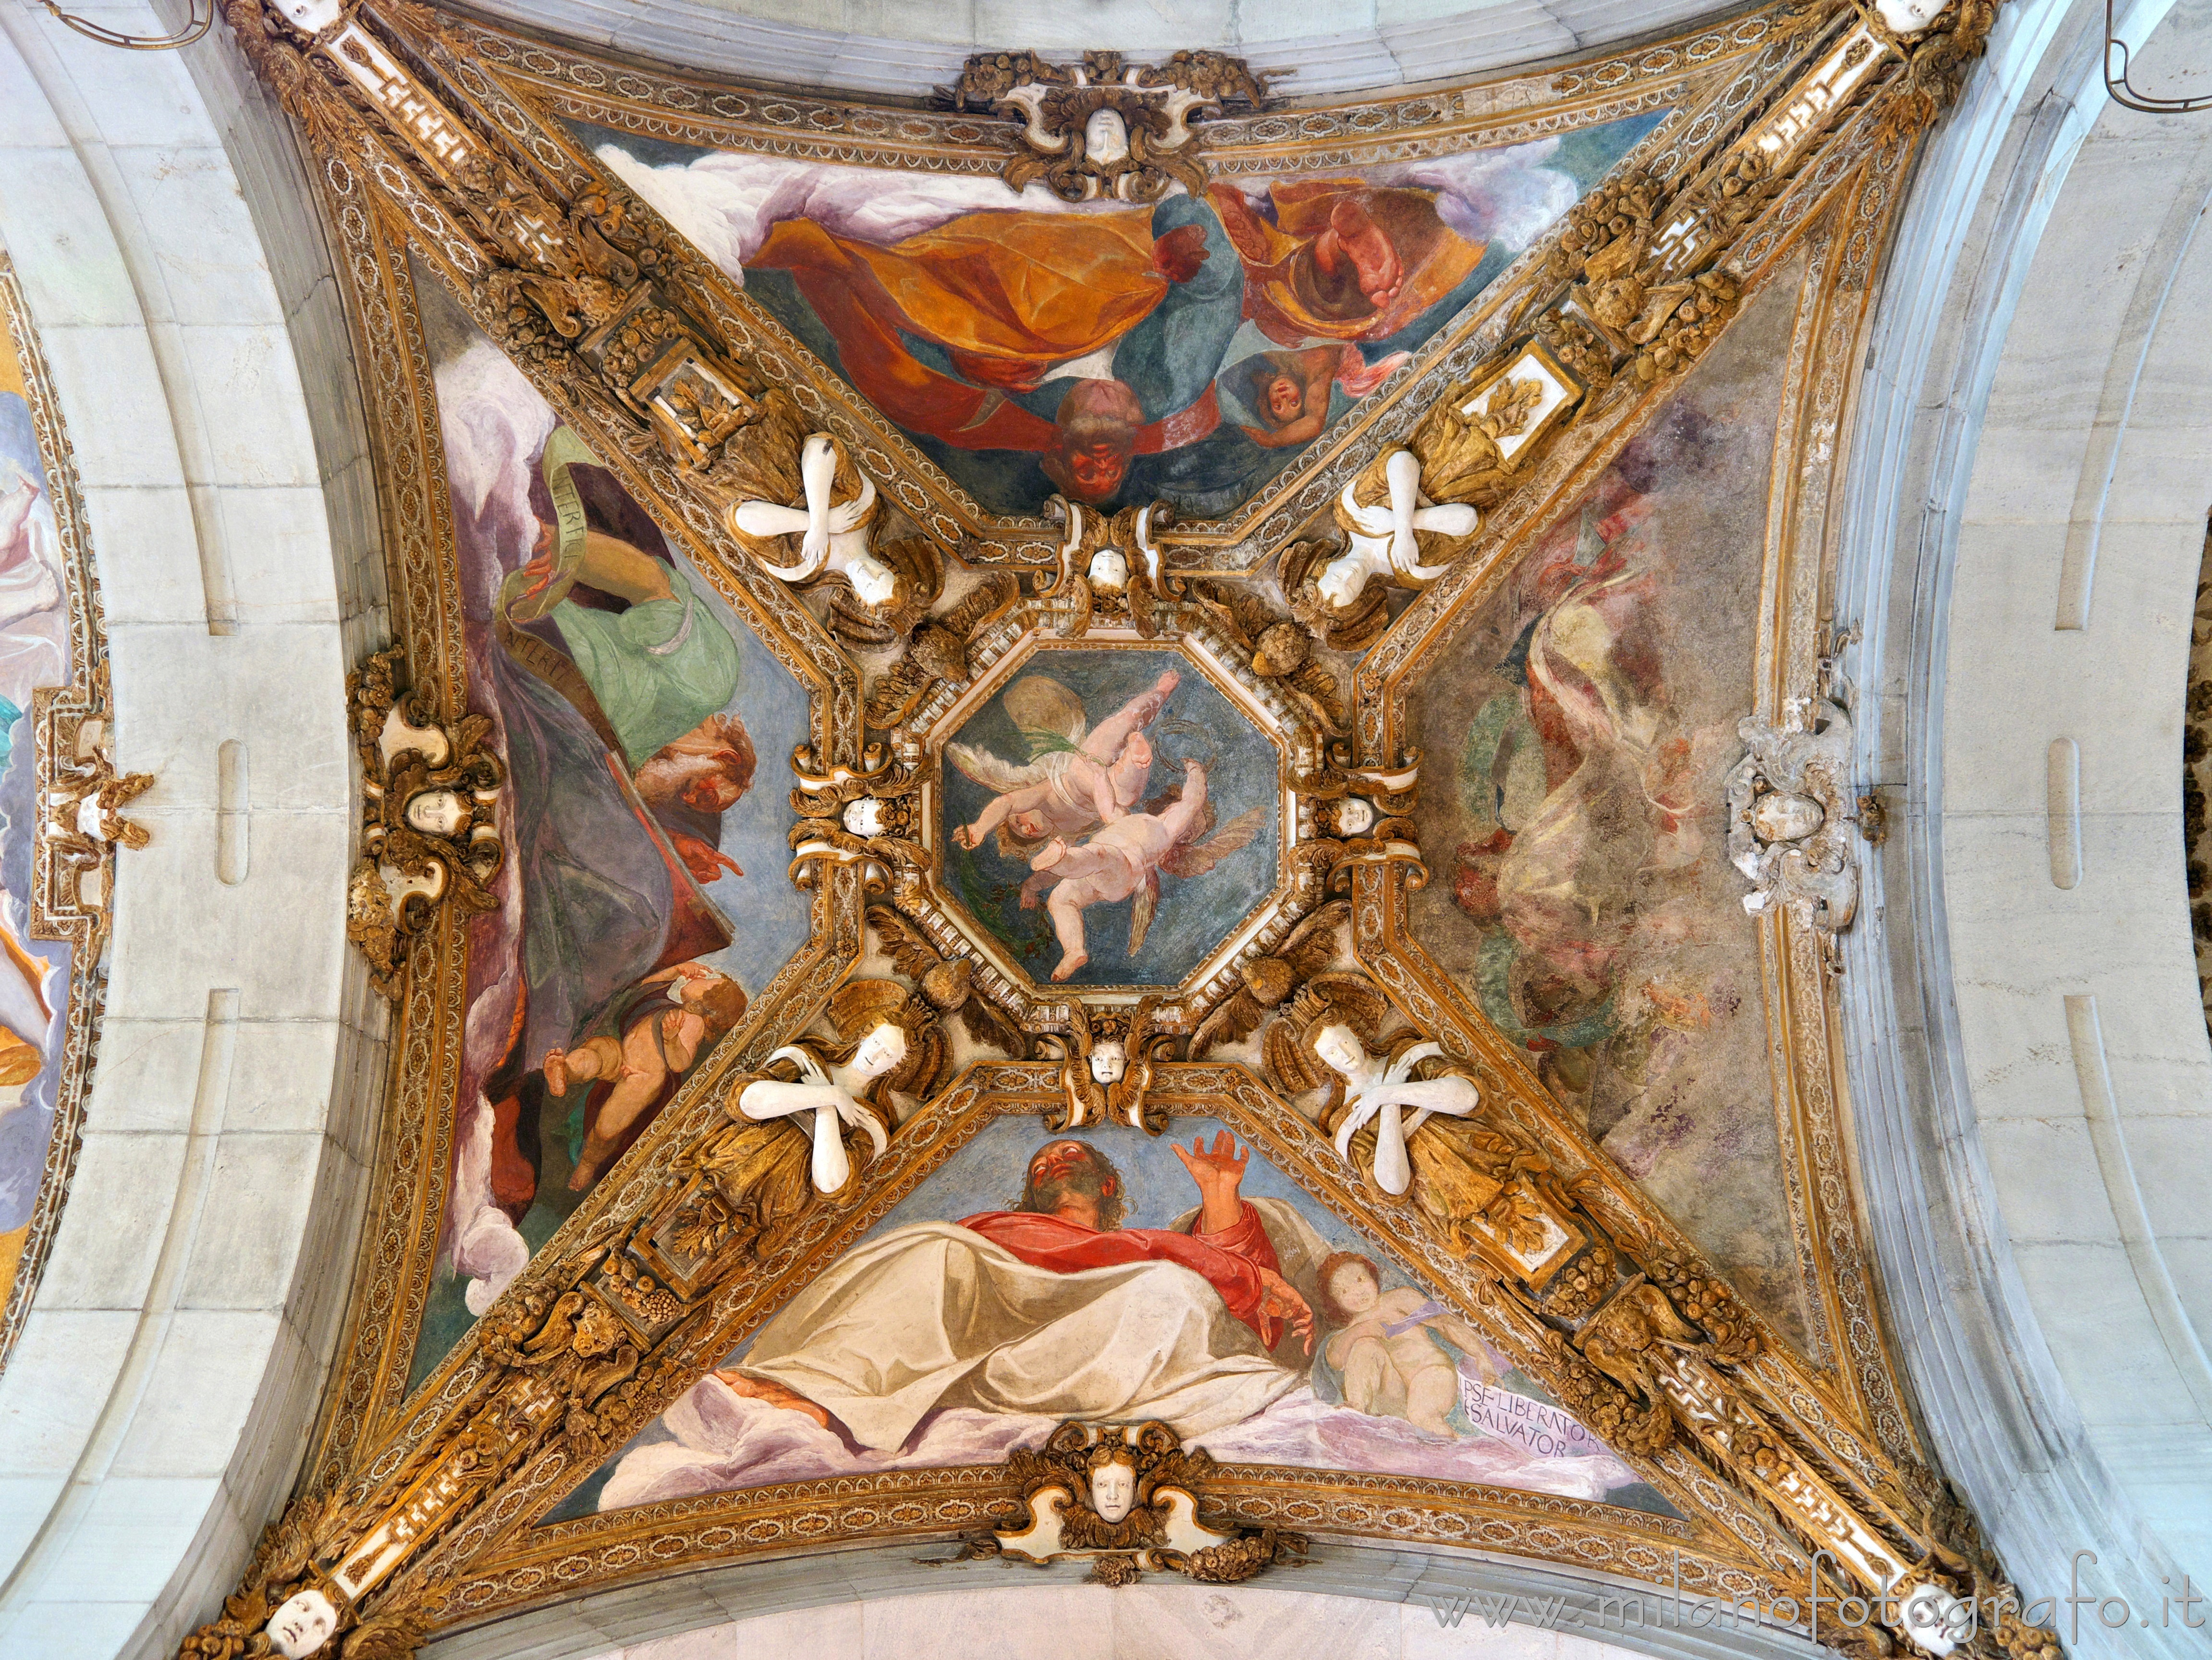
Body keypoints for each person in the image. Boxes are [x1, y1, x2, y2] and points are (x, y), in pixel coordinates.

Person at [714, 1132, 1316, 1448]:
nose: (1053, 1165)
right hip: (996, 1364)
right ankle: (822, 1392)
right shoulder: (1001, 1232)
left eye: (1069, 1157)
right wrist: (1228, 1269)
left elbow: (1249, 1322)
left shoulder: (1150, 1247)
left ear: (1107, 1183)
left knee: (1169, 1289)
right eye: (1040, 1168)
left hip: (1098, 1357)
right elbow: (1096, 1252)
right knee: (935, 1246)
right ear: (1030, 1198)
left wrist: (1220, 1203)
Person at [540, 962, 748, 1190]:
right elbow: (646, 987)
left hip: (642, 1080)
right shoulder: (670, 1007)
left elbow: (681, 1063)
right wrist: (675, 970)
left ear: (711, 1004)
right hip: (622, 1054)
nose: (699, 979)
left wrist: (671, 1040)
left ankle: (588, 1163)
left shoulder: (693, 1023)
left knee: (606, 1129)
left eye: (708, 983)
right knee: (597, 1053)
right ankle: (566, 1070)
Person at [950, 669, 1179, 854]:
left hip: (1085, 768)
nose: (1026, 829)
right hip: (1108, 792)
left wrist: (980, 828)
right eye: (1027, 835)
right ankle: (1135, 757)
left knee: (1127, 718)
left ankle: (1160, 692)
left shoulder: (1040, 798)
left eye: (1018, 822)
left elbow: (1006, 803)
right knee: (1123, 803)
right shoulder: (1065, 836)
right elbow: (1063, 864)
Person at [1317, 1251, 1498, 1437]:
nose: (1358, 1291)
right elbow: (1335, 1360)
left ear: (1372, 1276)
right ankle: (1356, 1411)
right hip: (1395, 1394)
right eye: (1345, 1291)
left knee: (1422, 1415)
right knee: (1364, 1346)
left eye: (1360, 1279)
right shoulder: (1354, 1328)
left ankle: (1456, 1450)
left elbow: (1445, 1323)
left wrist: (1480, 1355)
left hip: (1431, 1373)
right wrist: (1360, 1330)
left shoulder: (1399, 1298)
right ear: (1337, 1303)